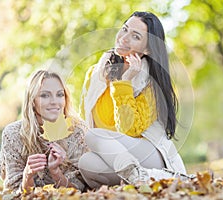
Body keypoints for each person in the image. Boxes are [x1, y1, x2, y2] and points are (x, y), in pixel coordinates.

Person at [78, 11, 190, 189]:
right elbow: (84, 122)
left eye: (135, 36)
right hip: (116, 158)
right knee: (86, 162)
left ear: (147, 50)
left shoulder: (150, 82)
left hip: (149, 153)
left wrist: (125, 82)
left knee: (94, 136)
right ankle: (139, 181)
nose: (124, 38)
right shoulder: (94, 74)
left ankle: (147, 176)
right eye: (124, 29)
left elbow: (129, 129)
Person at [0, 70, 89, 194]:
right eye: (45, 95)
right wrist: (27, 176)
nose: (54, 101)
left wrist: (56, 173)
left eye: (60, 95)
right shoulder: (13, 134)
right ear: (32, 101)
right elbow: (12, 193)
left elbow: (79, 191)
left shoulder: (77, 131)